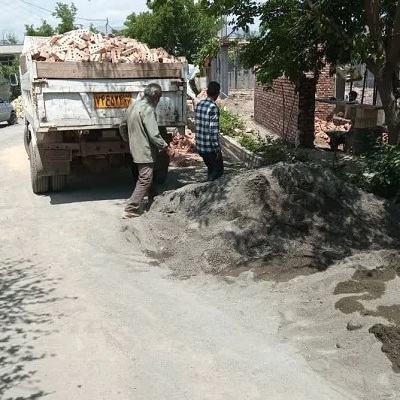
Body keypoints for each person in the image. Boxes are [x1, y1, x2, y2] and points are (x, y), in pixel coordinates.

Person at [119, 83, 169, 219]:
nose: (158, 101)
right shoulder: (148, 109)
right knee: (145, 178)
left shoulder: (132, 106)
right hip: (144, 149)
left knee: (146, 174)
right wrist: (164, 146)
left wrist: (128, 140)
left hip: (135, 147)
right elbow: (154, 134)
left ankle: (153, 197)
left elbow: (122, 126)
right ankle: (131, 208)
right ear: (153, 96)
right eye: (158, 98)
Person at [194, 81, 224, 181]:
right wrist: (218, 150)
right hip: (210, 149)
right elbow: (213, 131)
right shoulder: (213, 108)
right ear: (217, 94)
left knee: (211, 169)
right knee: (217, 172)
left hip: (201, 147)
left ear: (207, 92)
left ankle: (208, 188)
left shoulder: (199, 105)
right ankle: (211, 192)